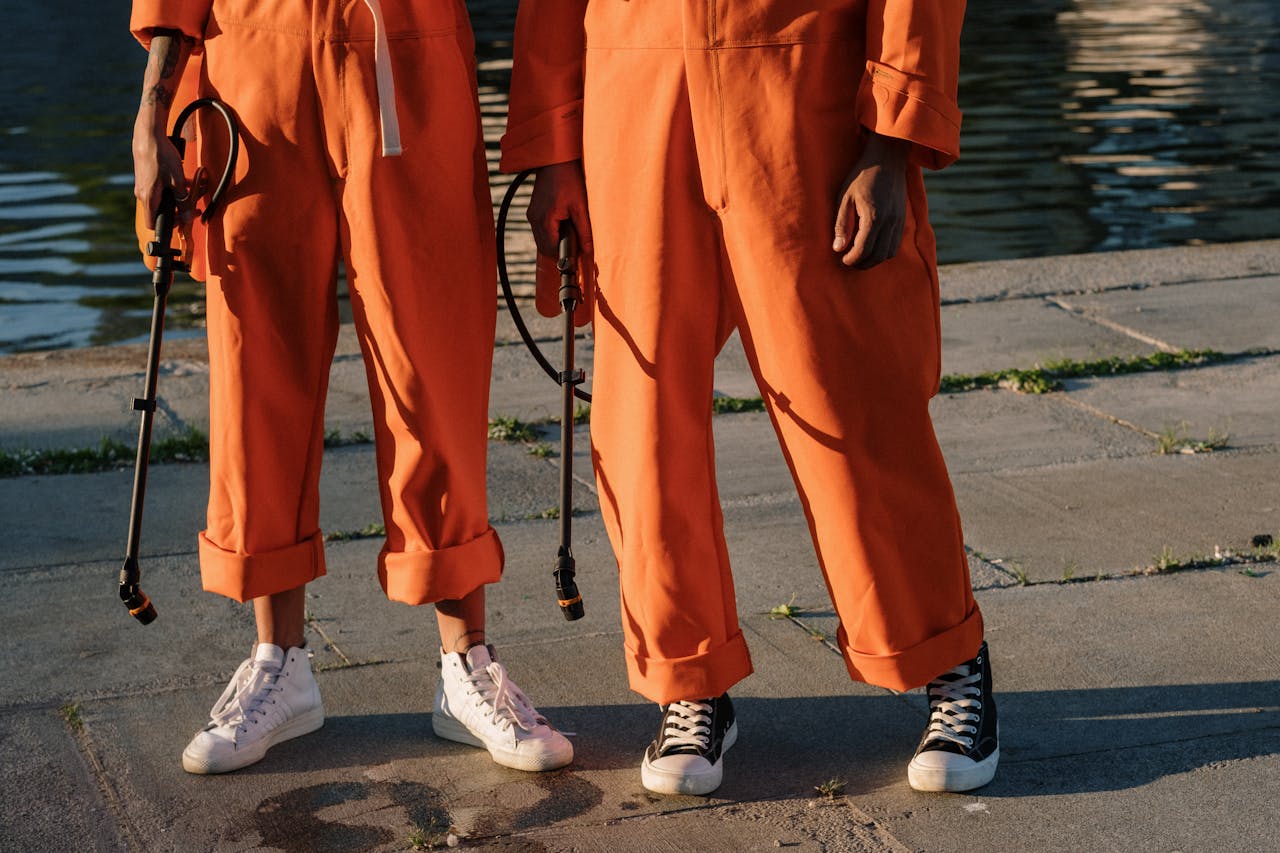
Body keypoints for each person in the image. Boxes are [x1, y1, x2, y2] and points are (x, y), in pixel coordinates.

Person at [502, 0, 998, 794]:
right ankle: (686, 678)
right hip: (635, 87)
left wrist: (890, 137)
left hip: (804, 89)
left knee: (850, 399)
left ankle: (946, 658)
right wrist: (555, 148)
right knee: (642, 416)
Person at [129, 0, 571, 775]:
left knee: (431, 362)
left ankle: (465, 663)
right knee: (255, 368)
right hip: (251, 57)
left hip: (407, 44)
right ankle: (279, 662)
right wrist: (153, 105)